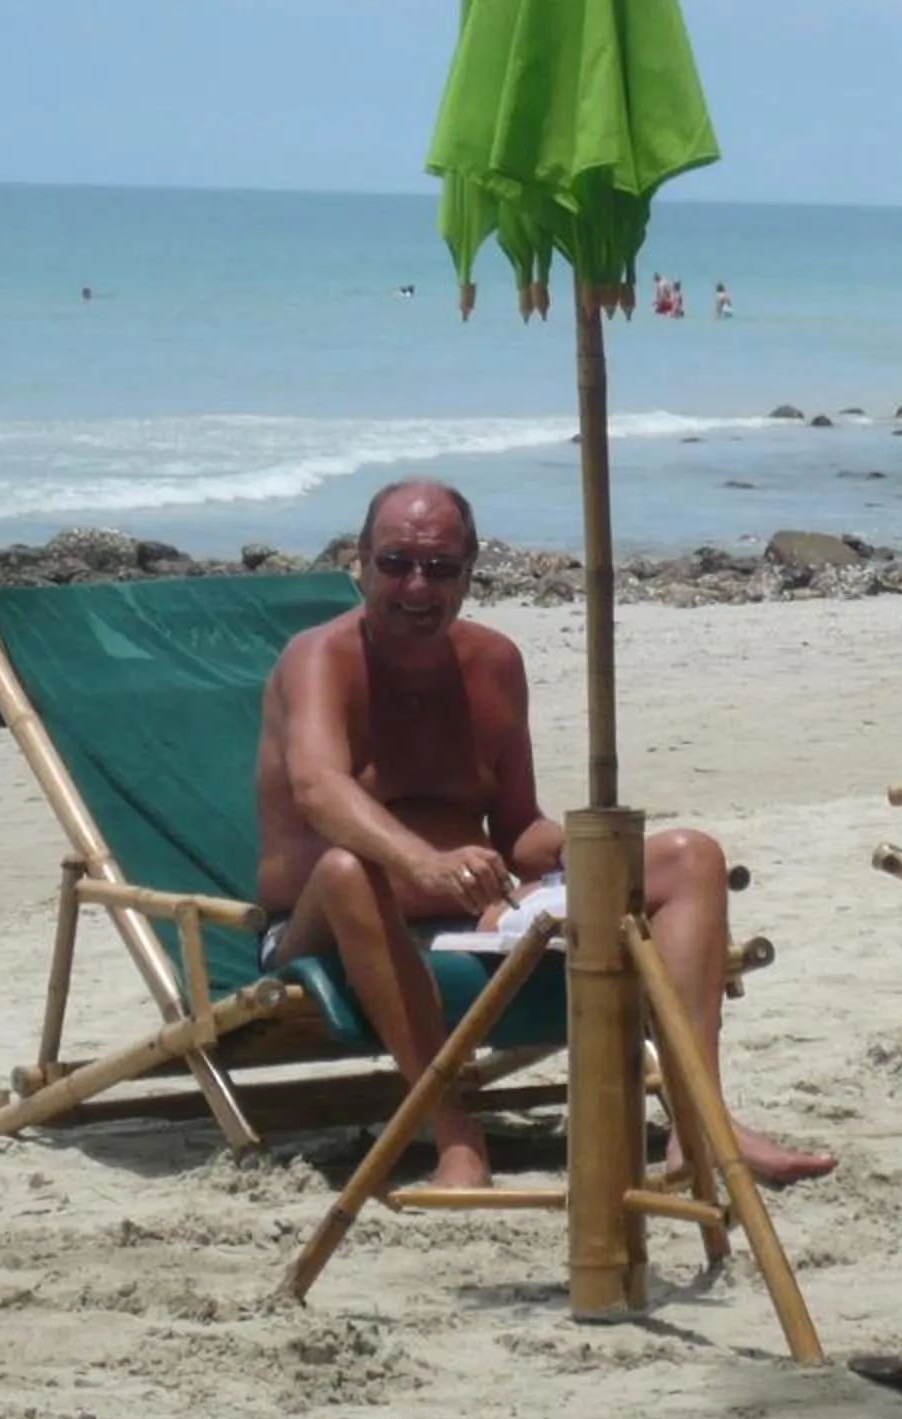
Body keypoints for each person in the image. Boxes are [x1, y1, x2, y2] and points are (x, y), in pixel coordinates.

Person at [255, 479, 833, 1192]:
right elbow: (318, 789)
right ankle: (454, 1136)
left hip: (475, 910)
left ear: (469, 573)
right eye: (395, 562)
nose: (416, 585)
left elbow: (517, 825)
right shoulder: (318, 658)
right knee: (350, 868)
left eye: (440, 568)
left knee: (690, 858)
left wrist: (576, 853)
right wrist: (427, 864)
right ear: (361, 564)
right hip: (320, 923)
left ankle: (698, 1123)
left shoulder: (493, 663)